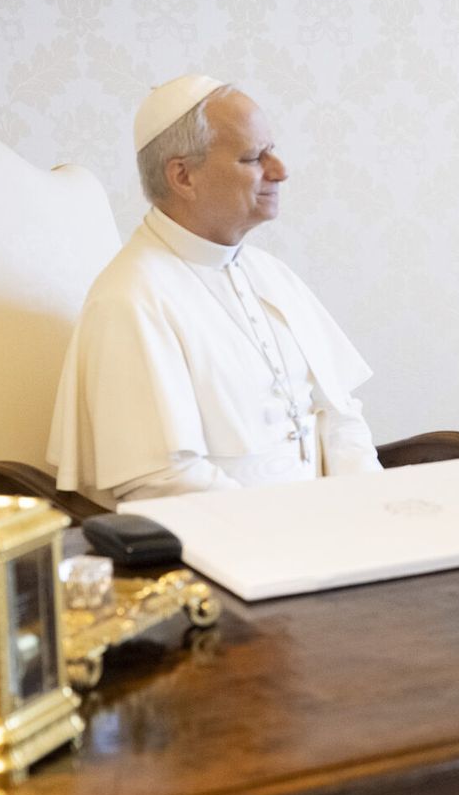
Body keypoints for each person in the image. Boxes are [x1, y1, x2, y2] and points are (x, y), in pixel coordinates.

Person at [48, 74, 383, 506]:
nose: (280, 171)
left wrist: (369, 505)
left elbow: (340, 415)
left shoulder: (270, 275)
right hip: (229, 549)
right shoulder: (131, 299)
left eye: (273, 151)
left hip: (327, 534)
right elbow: (160, 480)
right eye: (254, 158)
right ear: (184, 176)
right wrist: (295, 527)